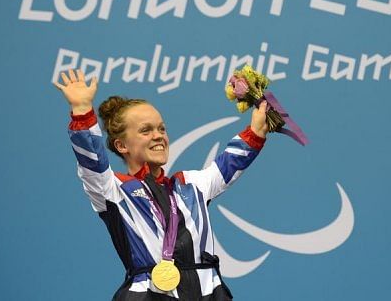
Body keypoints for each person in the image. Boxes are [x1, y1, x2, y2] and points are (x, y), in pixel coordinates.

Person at [54, 69, 268, 300]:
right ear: (121, 145)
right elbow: (92, 161)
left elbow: (230, 163)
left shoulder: (191, 184)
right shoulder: (113, 190)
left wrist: (256, 130)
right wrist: (83, 113)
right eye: (146, 130)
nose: (158, 136)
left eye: (161, 128)